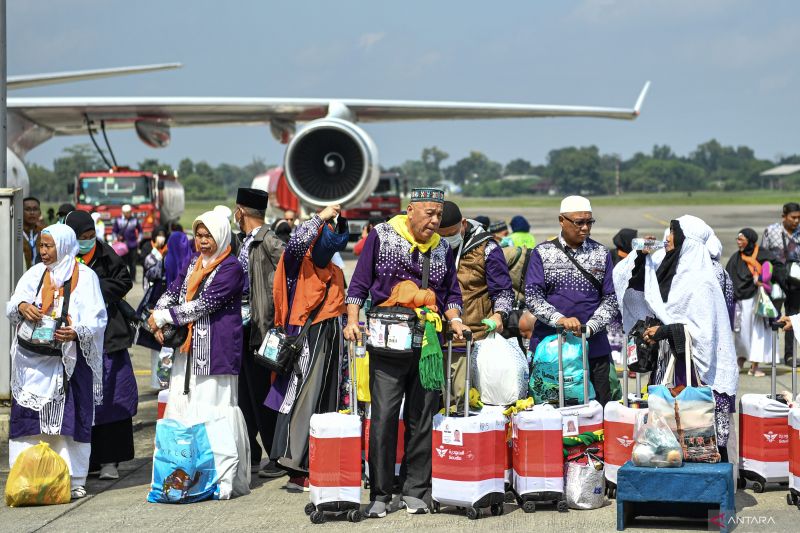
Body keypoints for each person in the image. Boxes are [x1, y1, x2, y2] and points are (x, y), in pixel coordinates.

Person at [345, 187, 469, 517]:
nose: (434, 220)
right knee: (384, 418)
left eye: (439, 215)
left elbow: (451, 294)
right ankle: (382, 493)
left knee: (423, 419)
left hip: (428, 345)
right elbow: (358, 283)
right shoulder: (382, 236)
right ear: (410, 210)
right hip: (388, 343)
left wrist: (455, 320)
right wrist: (352, 320)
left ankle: (417, 489)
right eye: (428, 213)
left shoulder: (442, 247)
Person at [614, 215, 738, 463]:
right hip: (670, 362)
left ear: (687, 241)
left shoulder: (703, 281)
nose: (666, 238)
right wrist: (640, 254)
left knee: (700, 433)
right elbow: (635, 286)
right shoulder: (672, 269)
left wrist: (663, 332)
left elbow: (703, 333)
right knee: (669, 433)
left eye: (673, 233)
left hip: (698, 368)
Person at [149, 210, 250, 498]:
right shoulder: (193, 262)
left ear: (221, 236)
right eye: (199, 235)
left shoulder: (231, 267)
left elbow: (205, 304)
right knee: (186, 408)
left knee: (213, 412)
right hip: (188, 351)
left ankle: (222, 478)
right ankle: (187, 475)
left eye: (208, 236)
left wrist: (164, 318)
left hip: (216, 352)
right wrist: (158, 313)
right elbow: (174, 290)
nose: (203, 241)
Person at [6, 224, 106, 499]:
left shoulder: (85, 277)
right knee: (29, 420)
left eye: (49, 246)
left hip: (69, 360)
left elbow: (98, 318)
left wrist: (76, 331)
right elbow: (13, 304)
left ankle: (73, 480)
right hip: (35, 361)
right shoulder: (36, 273)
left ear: (63, 246)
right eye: (41, 246)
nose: (44, 252)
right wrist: (22, 306)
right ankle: (25, 475)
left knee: (71, 421)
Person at [264, 204, 348, 491]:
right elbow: (298, 241)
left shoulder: (333, 269)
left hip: (331, 337)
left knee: (327, 398)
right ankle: (293, 463)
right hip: (306, 337)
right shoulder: (297, 264)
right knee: (299, 399)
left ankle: (317, 463)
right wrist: (321, 217)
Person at [64, 211, 137, 480]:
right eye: (80, 238)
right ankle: (87, 460)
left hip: (108, 339)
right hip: (75, 339)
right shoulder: (63, 257)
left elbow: (124, 281)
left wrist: (92, 288)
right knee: (81, 399)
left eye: (89, 236)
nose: (86, 242)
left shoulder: (106, 255)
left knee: (112, 396)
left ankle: (110, 460)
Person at [525, 195, 618, 406]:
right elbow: (532, 296)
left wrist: (591, 327)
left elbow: (611, 299)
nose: (585, 228)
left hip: (593, 347)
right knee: (550, 412)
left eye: (589, 222)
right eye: (579, 222)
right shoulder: (542, 252)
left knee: (600, 410)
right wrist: (560, 319)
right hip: (551, 349)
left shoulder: (601, 253)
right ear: (562, 220)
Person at [436, 201, 515, 404]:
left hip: (474, 336)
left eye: (450, 233)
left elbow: (503, 290)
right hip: (437, 337)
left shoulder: (486, 247)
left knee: (467, 401)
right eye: (441, 235)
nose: (446, 239)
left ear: (463, 224)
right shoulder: (431, 244)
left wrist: (499, 314)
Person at [232, 188, 286, 479]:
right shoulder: (245, 242)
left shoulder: (268, 241)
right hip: (242, 329)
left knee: (262, 396)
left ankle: (276, 456)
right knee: (245, 396)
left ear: (242, 211)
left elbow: (288, 270)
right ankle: (251, 453)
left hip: (261, 330)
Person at [726, 229, 773, 376]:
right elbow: (728, 277)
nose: (738, 242)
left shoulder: (763, 254)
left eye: (742, 239)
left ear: (750, 240)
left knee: (756, 332)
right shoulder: (736, 258)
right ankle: (740, 359)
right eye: (737, 239)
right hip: (741, 301)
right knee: (741, 333)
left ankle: (755, 365)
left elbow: (773, 269)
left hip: (757, 300)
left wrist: (762, 279)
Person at [761, 202, 800, 365]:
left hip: (796, 282)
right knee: (773, 317)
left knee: (793, 318)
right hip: (775, 281)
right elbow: (762, 254)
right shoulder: (771, 231)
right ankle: (771, 354)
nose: (796, 221)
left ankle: (790, 355)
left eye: (799, 218)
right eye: (793, 217)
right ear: (784, 216)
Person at [112, 204, 142, 282]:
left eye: (129, 212)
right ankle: (124, 278)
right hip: (122, 246)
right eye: (126, 212)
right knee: (123, 263)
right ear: (123, 212)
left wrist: (139, 239)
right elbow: (114, 231)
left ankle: (133, 278)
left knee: (133, 263)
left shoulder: (135, 220)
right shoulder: (118, 220)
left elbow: (140, 231)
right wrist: (115, 239)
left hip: (133, 245)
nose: (128, 214)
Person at [22, 196, 45, 270]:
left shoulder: (45, 233)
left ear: (40, 212)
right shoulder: (15, 233)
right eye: (28, 209)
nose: (32, 213)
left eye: (35, 209)